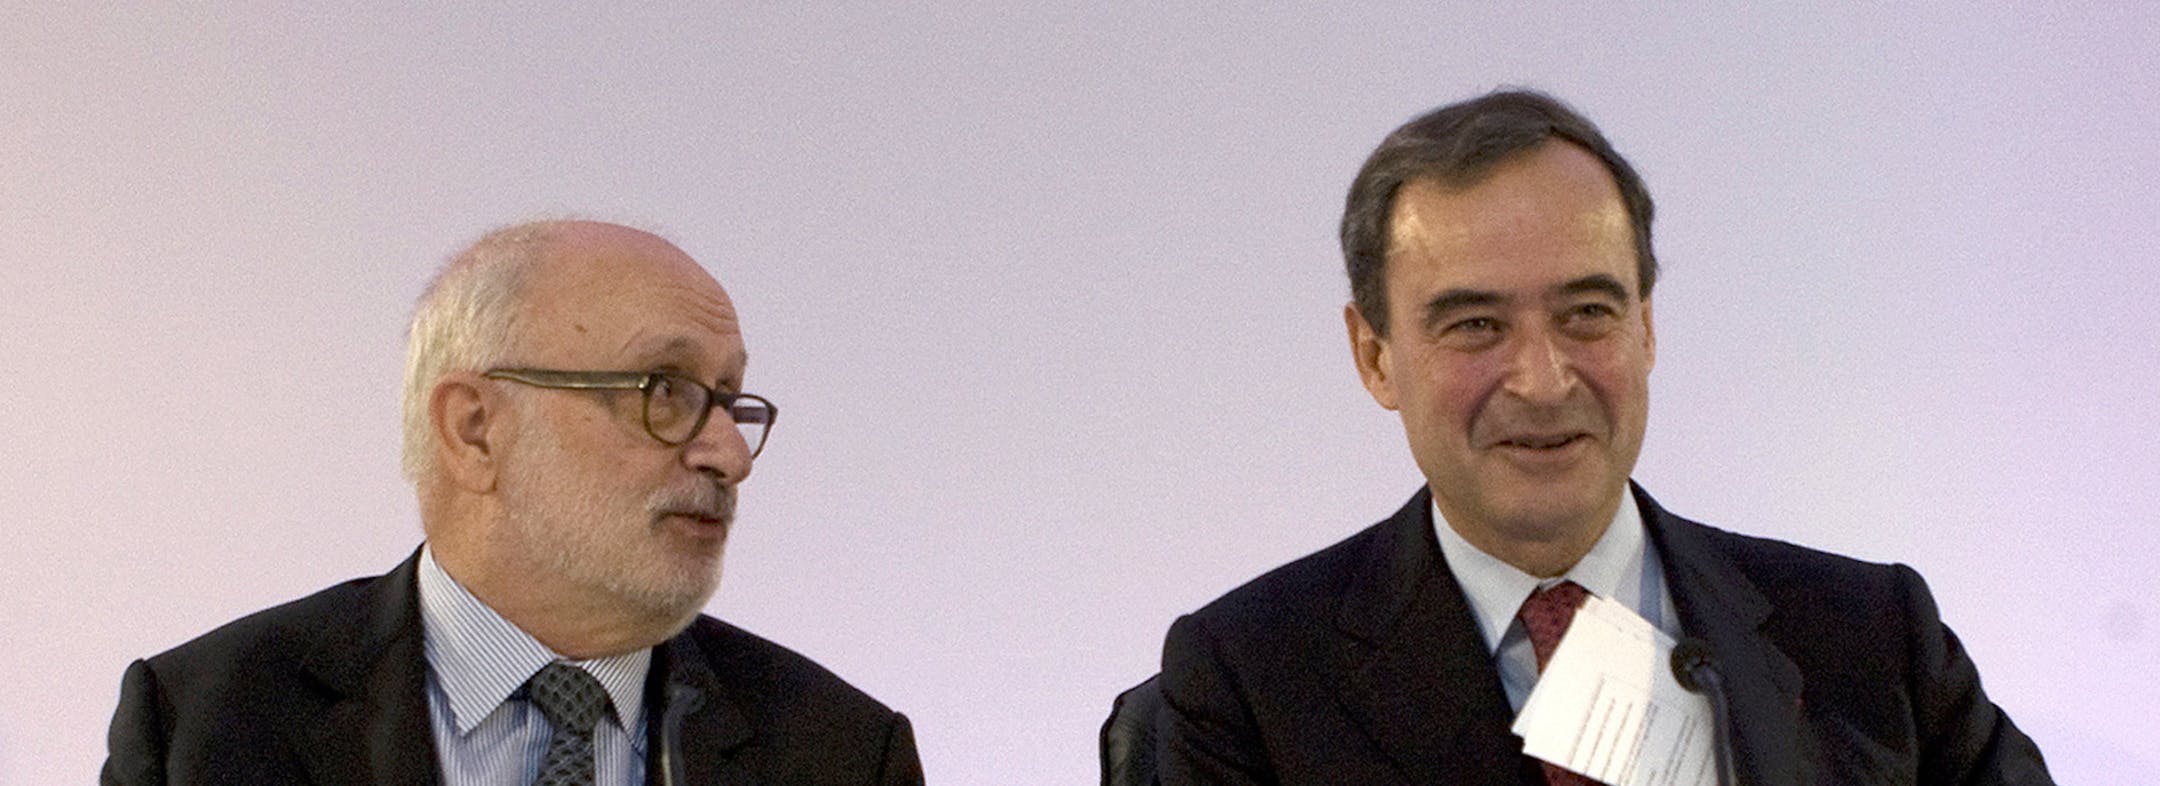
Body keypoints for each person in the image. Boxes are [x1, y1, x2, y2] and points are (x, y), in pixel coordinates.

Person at [1146, 91, 2053, 784]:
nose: (1543, 380)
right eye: (1475, 326)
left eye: (1587, 313)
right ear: (1374, 355)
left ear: (1646, 329)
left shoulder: (1873, 637)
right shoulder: (1245, 681)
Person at [102, 220, 923, 785]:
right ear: (475, 431)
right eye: (664, 390)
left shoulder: (839, 752)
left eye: (730, 401)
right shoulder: (205, 725)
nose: (730, 455)